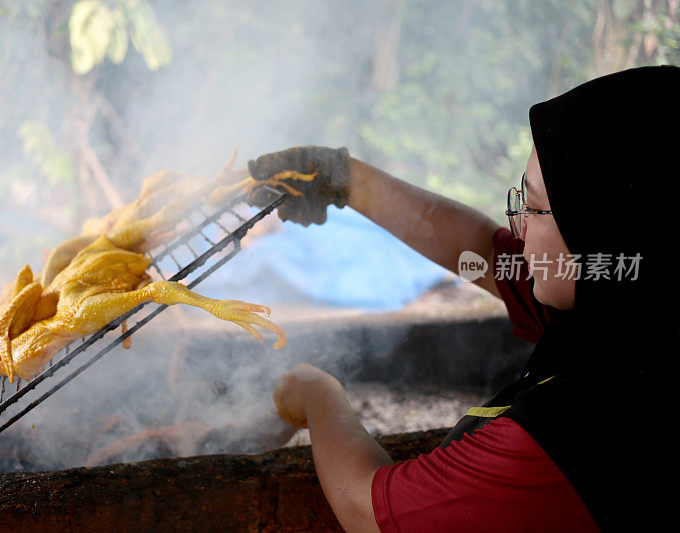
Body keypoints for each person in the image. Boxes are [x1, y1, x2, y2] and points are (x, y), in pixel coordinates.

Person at [248, 65, 680, 532]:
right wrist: (346, 178)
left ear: (604, 225)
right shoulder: (629, 304)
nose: (518, 227)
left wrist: (319, 395)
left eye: (533, 209)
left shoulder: (579, 425)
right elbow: (480, 252)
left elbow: (366, 511)